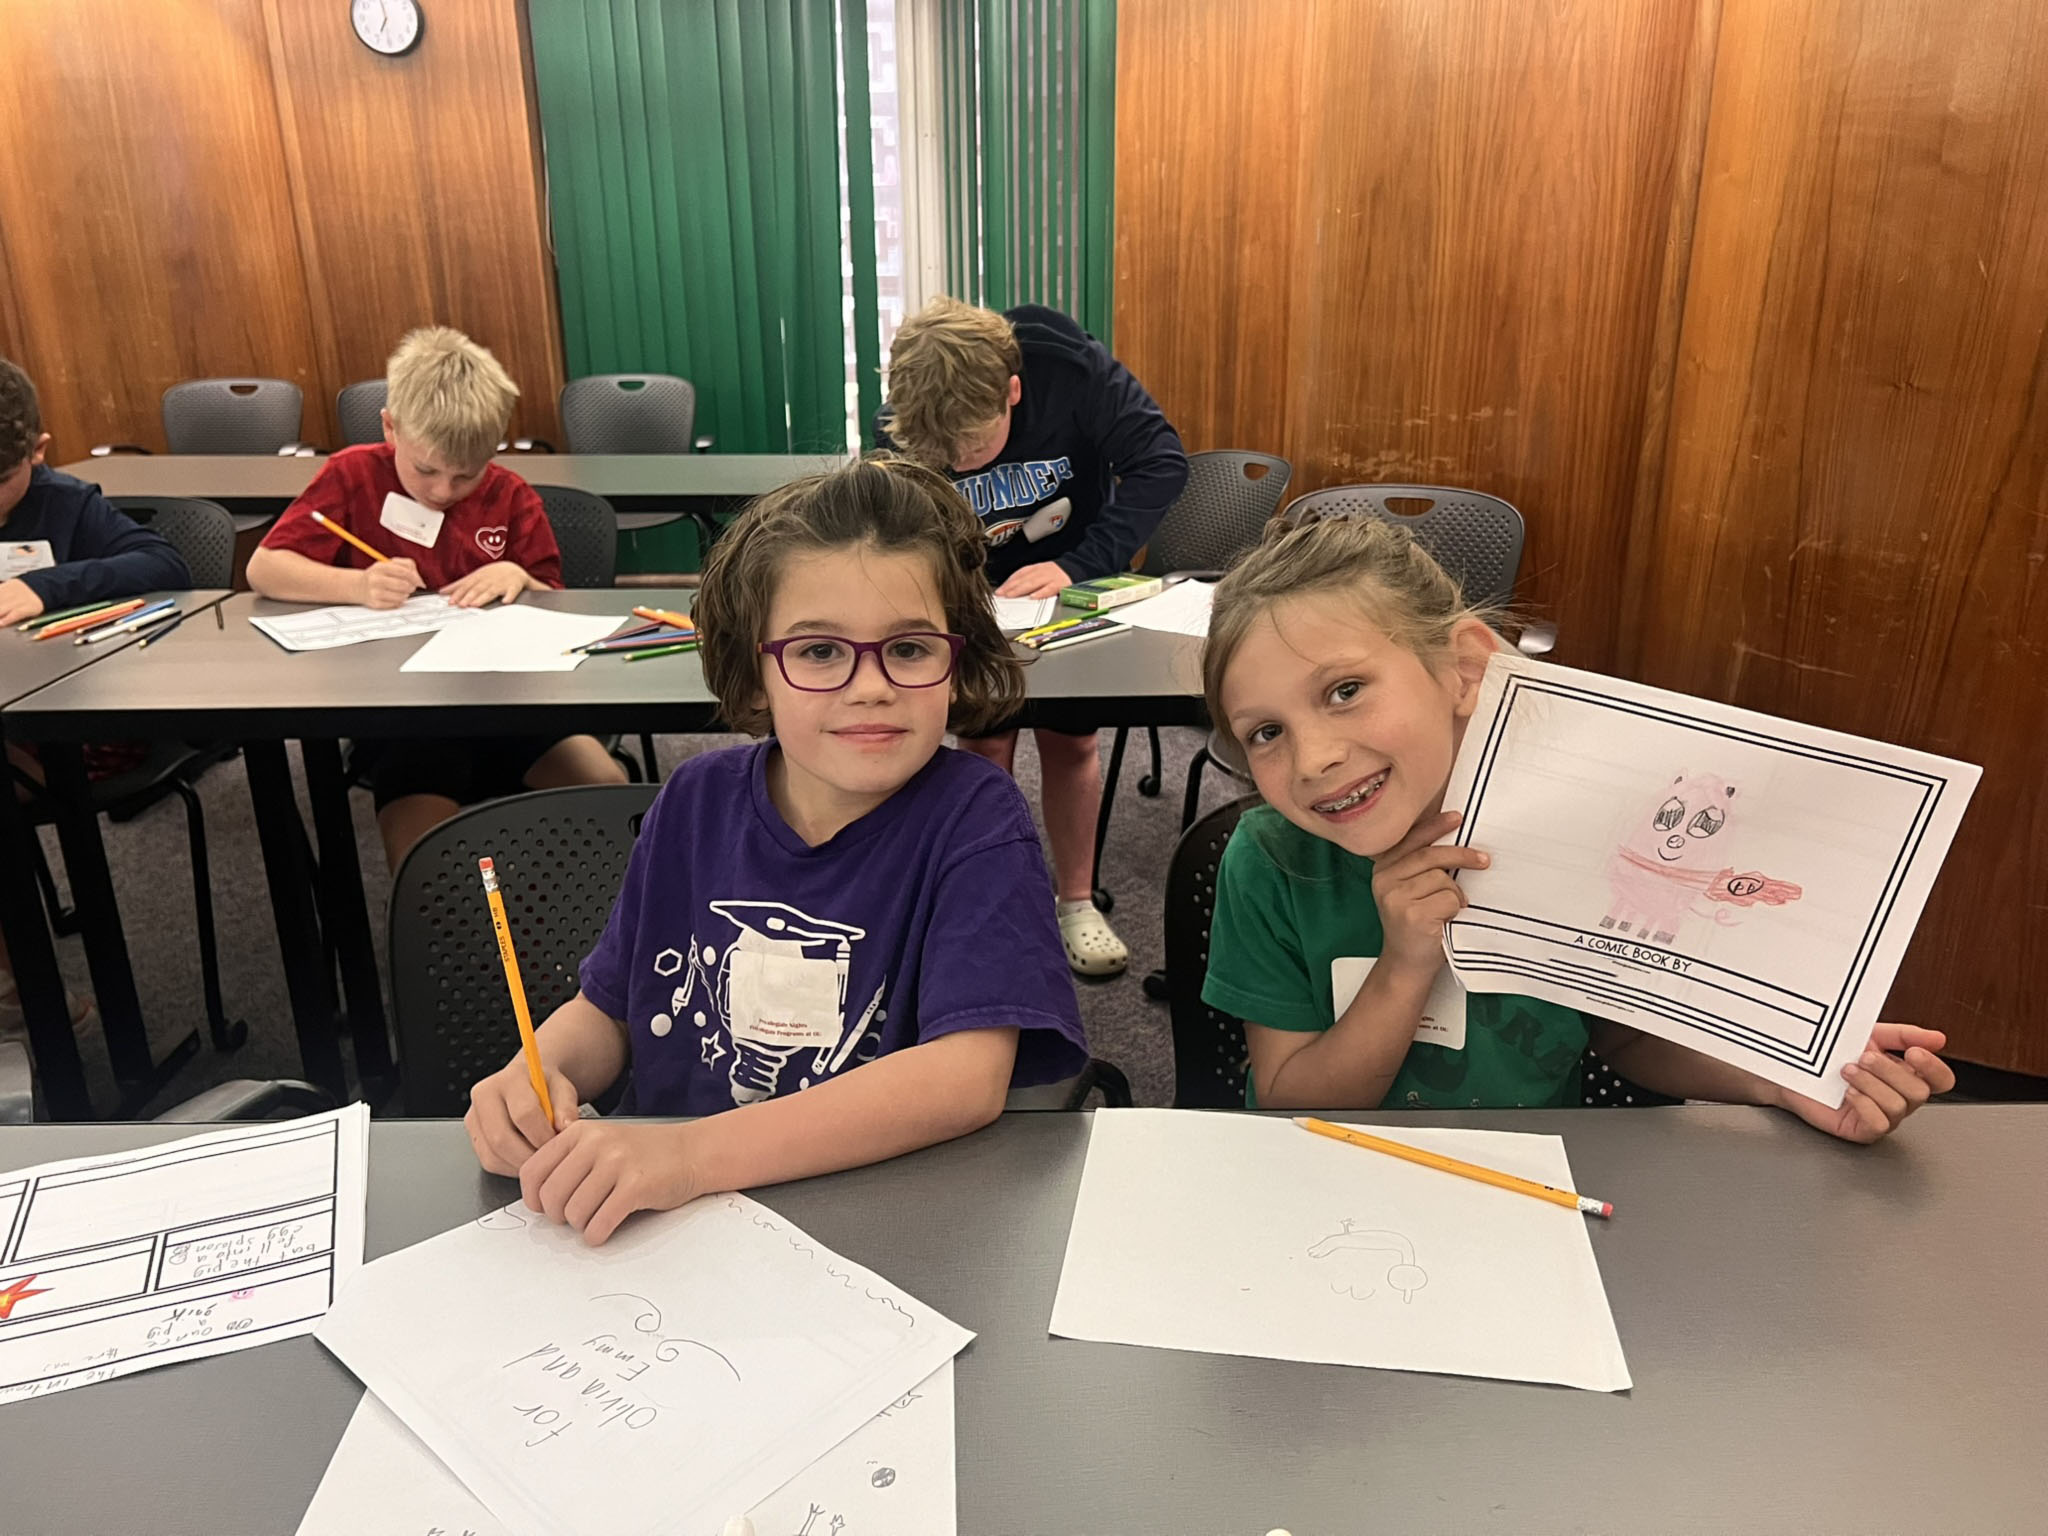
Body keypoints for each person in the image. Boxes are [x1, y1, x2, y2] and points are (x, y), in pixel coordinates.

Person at [464, 456, 1089, 1245]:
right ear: (756, 673)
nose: (871, 685)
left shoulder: (973, 818)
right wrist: (537, 1072)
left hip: (872, 1233)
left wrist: (689, 1154)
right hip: (658, 1235)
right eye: (820, 652)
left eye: (910, 648)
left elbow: (964, 1080)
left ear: (954, 661)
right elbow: (610, 1010)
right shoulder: (694, 802)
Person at [1199, 513, 1954, 1140]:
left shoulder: (1589, 835)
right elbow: (1292, 1103)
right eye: (1265, 732)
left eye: (1345, 690)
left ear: (1464, 666)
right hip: (1330, 1198)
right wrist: (1404, 966)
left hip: (1535, 1200)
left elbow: (1620, 1034)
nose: (1313, 759)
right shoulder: (1269, 863)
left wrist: (1784, 1078)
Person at [878, 297, 1188, 978]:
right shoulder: (911, 406)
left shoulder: (1077, 372)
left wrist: (1077, 565)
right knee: (983, 741)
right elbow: (884, 510)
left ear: (1012, 390)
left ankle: (1075, 901)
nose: (959, 461)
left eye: (975, 445)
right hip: (970, 598)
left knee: (1072, 742)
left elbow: (1162, 464)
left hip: (1065, 586)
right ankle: (985, 897)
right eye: (944, 453)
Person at [246, 326, 624, 872]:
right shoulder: (352, 475)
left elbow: (555, 603)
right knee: (428, 861)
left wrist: (519, 575)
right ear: (390, 428)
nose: (443, 491)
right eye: (425, 470)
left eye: (465, 475)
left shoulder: (511, 496)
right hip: (405, 720)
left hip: (513, 708)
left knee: (609, 796)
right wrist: (354, 585)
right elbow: (264, 566)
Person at [0, 356, 190, 1042]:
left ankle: (23, 996)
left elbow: (167, 565)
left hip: (78, 730)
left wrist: (50, 587)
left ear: (38, 452)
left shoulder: (68, 505)